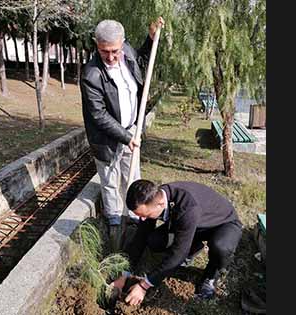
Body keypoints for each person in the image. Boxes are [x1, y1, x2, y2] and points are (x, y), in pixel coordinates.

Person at [80, 17, 164, 246]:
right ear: (96, 45)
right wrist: (127, 138)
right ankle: (114, 223)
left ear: (122, 43)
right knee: (109, 179)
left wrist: (150, 38)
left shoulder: (126, 52)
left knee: (131, 176)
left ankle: (136, 219)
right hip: (107, 138)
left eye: (115, 50)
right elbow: (98, 116)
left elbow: (141, 60)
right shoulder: (91, 75)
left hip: (131, 130)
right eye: (104, 51)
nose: (111, 57)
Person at [112, 180, 243, 306]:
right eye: (140, 216)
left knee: (221, 248)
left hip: (223, 224)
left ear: (160, 204)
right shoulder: (153, 197)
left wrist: (143, 285)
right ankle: (194, 246)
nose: (143, 219)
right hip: (192, 224)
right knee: (154, 241)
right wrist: (125, 274)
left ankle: (211, 275)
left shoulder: (187, 206)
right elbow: (140, 238)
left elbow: (178, 254)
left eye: (146, 215)